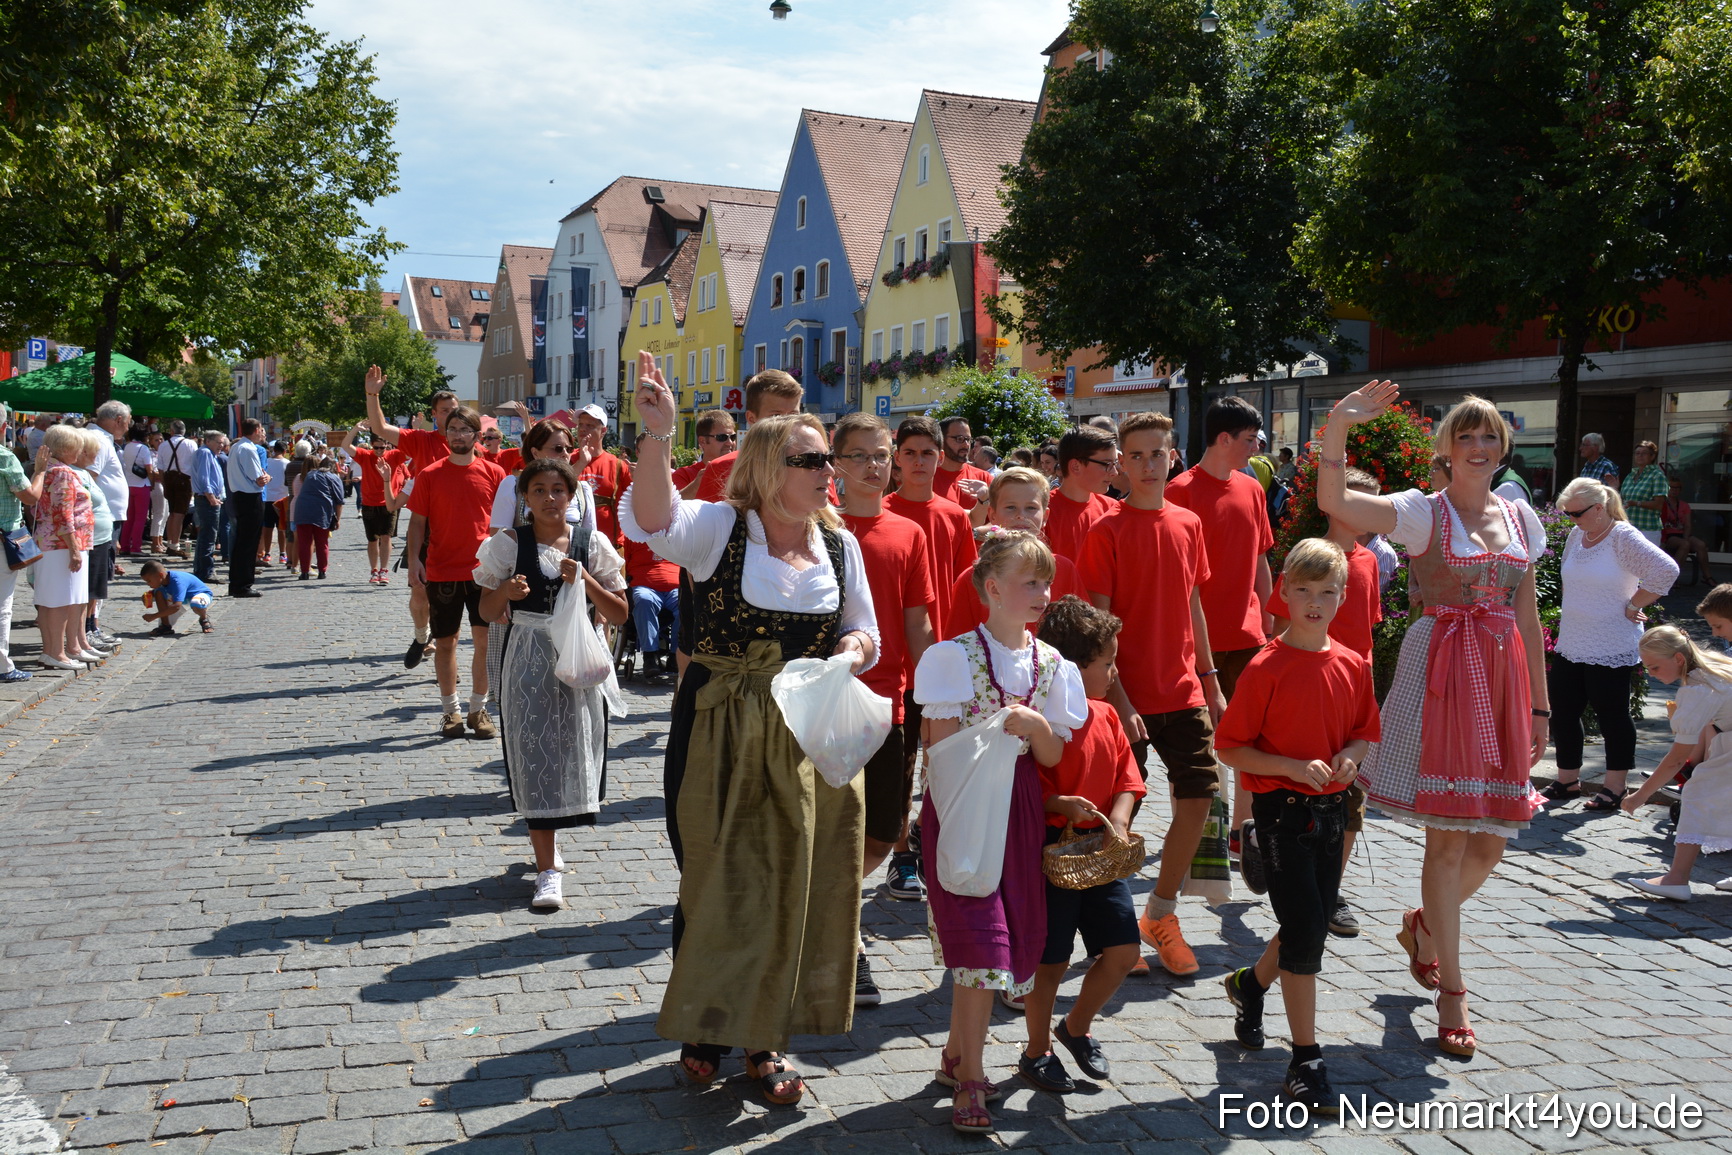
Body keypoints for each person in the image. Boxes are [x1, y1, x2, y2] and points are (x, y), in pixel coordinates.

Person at [625, 352, 878, 1107]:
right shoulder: (719, 530)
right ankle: (706, 1021)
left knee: (788, 881)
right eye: (812, 459)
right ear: (770, 465)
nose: (827, 470)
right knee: (712, 875)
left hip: (804, 728)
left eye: (829, 457)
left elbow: (867, 632)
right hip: (718, 727)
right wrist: (660, 436)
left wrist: (851, 650)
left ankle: (765, 1040)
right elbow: (651, 518)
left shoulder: (840, 545)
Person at [1317, 384, 1550, 1059]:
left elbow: (1529, 619)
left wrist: (1541, 705)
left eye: (1489, 437)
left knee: (1495, 836)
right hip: (1443, 671)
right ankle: (1452, 990)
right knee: (1447, 840)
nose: (1478, 447)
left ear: (1502, 448)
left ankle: (1424, 924)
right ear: (1447, 449)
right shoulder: (1425, 513)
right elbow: (1336, 503)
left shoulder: (1520, 517)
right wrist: (1339, 423)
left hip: (1501, 678)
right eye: (1466, 437)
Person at [914, 531, 1087, 1134]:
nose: (1043, 593)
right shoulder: (951, 657)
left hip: (1018, 814)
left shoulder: (1052, 665)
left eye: (1046, 582)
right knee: (981, 952)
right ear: (992, 589)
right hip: (962, 811)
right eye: (1029, 582)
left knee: (993, 952)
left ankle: (956, 1057)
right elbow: (937, 752)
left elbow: (1052, 752)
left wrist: (1032, 720)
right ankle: (971, 1082)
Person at [1215, 538, 1379, 1112]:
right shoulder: (1266, 665)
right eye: (1303, 591)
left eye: (1326, 592)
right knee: (1307, 928)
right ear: (1281, 592)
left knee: (1304, 919)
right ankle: (1306, 1059)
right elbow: (1230, 746)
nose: (1314, 602)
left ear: (1342, 597)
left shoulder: (1354, 662)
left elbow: (1363, 730)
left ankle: (1249, 985)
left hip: (1333, 816)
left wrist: (1352, 756)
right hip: (1282, 817)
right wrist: (1289, 766)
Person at [1081, 412, 1223, 979]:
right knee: (1116, 818)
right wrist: (1120, 698)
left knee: (1199, 801)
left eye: (1156, 454)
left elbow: (1193, 604)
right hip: (1125, 698)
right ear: (1120, 463)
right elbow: (1099, 624)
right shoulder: (1106, 530)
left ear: (1172, 456)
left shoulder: (1188, 523)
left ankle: (1160, 915)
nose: (1145, 465)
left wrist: (1210, 681)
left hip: (1184, 690)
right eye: (1134, 456)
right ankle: (1107, 930)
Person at [477, 457, 628, 911]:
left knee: (573, 749)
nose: (548, 498)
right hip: (527, 655)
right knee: (533, 751)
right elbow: (485, 612)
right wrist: (505, 593)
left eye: (557, 490)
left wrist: (586, 584)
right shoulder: (509, 545)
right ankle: (546, 869)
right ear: (524, 497)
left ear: (572, 495)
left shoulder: (590, 542)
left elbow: (620, 613)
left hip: (578, 658)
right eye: (538, 490)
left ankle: (553, 848)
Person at [1016, 596, 1144, 1095]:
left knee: (1122, 951)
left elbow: (1128, 781)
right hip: (1050, 854)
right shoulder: (1042, 722)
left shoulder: (1108, 717)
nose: (1114, 672)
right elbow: (1023, 786)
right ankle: (1035, 1051)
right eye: (1107, 662)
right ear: (1070, 668)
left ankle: (1075, 1026)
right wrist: (1058, 803)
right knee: (1051, 961)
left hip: (1101, 854)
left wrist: (1118, 816)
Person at [831, 412, 936, 990]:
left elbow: (917, 622)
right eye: (859, 456)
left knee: (885, 828)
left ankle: (835, 908)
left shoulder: (907, 532)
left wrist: (941, 691)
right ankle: (846, 937)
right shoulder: (820, 528)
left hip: (889, 704)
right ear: (836, 464)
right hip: (828, 706)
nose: (873, 466)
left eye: (880, 455)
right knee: (829, 825)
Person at [1262, 466, 1384, 938]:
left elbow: (1365, 633)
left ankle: (1331, 890)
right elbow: (1278, 630)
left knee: (1350, 792)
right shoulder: (1310, 561)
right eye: (1363, 500)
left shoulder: (1369, 563)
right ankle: (1264, 843)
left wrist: (1368, 687)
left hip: (1351, 689)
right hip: (1305, 688)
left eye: (1377, 502)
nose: (1372, 511)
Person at [1166, 397, 1275, 847]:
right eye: (1250, 440)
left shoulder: (1252, 488)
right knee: (1196, 746)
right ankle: (1193, 836)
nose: (1256, 449)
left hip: (1248, 633)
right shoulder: (1180, 491)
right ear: (1224, 438)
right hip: (1194, 641)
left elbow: (1261, 559)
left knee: (1250, 741)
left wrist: (1272, 623)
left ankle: (1240, 834)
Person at [1542, 477, 1678, 812]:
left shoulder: (1622, 536)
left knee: (1611, 714)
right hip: (1573, 638)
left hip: (1611, 639)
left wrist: (1635, 604)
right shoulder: (1578, 534)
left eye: (1576, 513)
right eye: (1567, 514)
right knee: (1564, 710)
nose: (1571, 520)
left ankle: (1615, 786)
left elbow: (1666, 570)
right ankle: (1567, 778)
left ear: (1600, 508)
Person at [407, 406, 506, 740]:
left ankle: (478, 709)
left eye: (466, 429)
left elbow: (504, 527)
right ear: (445, 433)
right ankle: (450, 712)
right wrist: (414, 563)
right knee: (446, 644)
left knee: (484, 643)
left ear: (477, 436)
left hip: (485, 572)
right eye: (453, 429)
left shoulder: (495, 474)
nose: (459, 435)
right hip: (442, 570)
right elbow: (417, 523)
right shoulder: (430, 474)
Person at [1620, 625, 1732, 899]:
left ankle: (1676, 879)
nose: (1650, 673)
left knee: (1696, 795)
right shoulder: (1711, 666)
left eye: (1655, 667)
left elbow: (1677, 758)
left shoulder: (1698, 688)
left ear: (1678, 659)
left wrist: (1640, 796)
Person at [364, 365, 461, 668]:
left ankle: (445, 659)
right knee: (420, 593)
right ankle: (422, 636)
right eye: (445, 410)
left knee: (451, 598)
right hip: (426, 525)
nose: (451, 415)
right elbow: (380, 428)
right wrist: (372, 394)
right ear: (435, 413)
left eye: (455, 410)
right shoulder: (422, 440)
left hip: (459, 527)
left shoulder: (472, 444)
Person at [945, 468, 1090, 638]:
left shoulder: (1064, 569)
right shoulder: (973, 578)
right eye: (1010, 507)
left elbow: (1084, 634)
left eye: (1031, 508)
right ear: (992, 515)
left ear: (1045, 516)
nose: (1021, 516)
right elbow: (957, 644)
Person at [886, 416, 978, 632]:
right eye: (910, 453)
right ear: (897, 457)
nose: (919, 461)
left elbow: (967, 584)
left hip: (944, 633)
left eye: (927, 453)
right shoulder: (880, 512)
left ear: (940, 457)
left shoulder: (956, 516)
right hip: (891, 637)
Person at [32, 426, 95, 670]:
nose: (81, 451)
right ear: (68, 448)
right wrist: (75, 548)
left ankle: (52, 651)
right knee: (59, 600)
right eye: (77, 446)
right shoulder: (63, 473)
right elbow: (63, 514)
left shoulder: (48, 470)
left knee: (51, 600)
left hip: (51, 543)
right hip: (61, 545)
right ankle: (56, 652)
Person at [693, 370, 804, 501]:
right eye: (776, 416)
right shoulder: (721, 469)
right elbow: (707, 521)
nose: (786, 424)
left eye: (793, 415)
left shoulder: (813, 466)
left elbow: (827, 519)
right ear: (751, 418)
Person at [0, 404, 43, 683]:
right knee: (3, 604)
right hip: (3, 540)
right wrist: (39, 472)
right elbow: (30, 497)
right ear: (4, 427)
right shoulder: (5, 457)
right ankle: (3, 666)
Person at [74, 430, 119, 656]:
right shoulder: (76, 474)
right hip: (89, 539)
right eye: (92, 453)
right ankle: (86, 632)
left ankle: (92, 627)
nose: (94, 458)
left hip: (100, 537)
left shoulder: (82, 472)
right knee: (89, 589)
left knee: (96, 589)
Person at [344, 422, 406, 585]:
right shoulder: (365, 456)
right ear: (372, 445)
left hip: (388, 502)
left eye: (382, 447)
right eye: (376, 447)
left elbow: (411, 450)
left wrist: (405, 430)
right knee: (372, 539)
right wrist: (355, 429)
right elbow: (345, 445)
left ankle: (384, 570)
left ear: (387, 445)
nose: (379, 451)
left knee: (386, 537)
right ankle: (374, 570)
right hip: (369, 503)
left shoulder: (393, 455)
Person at [1046, 426, 1118, 565]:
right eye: (1107, 464)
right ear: (1075, 466)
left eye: (1114, 463)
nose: (1114, 472)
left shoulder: (1112, 509)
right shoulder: (1041, 511)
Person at [572, 404, 630, 548]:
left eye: (590, 426)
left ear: (603, 431)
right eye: (581, 425)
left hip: (610, 546)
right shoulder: (568, 459)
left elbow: (634, 503)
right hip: (573, 544)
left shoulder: (617, 465)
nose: (583, 429)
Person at [225, 417, 267, 598]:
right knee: (248, 543)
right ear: (257, 430)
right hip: (249, 497)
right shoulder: (248, 449)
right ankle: (243, 584)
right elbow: (259, 478)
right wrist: (267, 478)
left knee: (241, 543)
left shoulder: (235, 446)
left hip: (239, 496)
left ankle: (236, 583)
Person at [89, 402, 132, 574]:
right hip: (102, 514)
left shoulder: (102, 438)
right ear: (119, 420)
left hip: (106, 513)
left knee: (103, 564)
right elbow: (89, 476)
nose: (128, 427)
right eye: (129, 422)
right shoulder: (99, 439)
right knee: (99, 571)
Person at [291, 457, 345, 579]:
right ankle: (322, 571)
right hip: (321, 512)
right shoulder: (334, 477)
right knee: (322, 542)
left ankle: (304, 572)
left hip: (302, 510)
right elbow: (339, 501)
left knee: (304, 542)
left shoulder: (310, 475)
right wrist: (338, 519)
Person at [934, 416, 995, 523]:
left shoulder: (984, 478)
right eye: (959, 439)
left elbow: (999, 521)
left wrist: (974, 532)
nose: (966, 445)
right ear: (941, 440)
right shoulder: (927, 477)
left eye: (968, 439)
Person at [1661, 478, 1714, 586]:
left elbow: (1688, 525)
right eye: (1671, 487)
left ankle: (1707, 576)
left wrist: (1685, 536)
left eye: (1677, 488)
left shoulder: (1684, 505)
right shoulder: (1662, 503)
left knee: (1701, 545)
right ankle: (1671, 577)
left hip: (1682, 533)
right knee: (1685, 544)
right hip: (1669, 535)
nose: (1674, 490)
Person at [155, 420, 197, 557]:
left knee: (172, 513)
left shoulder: (163, 445)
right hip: (184, 480)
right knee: (179, 513)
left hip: (168, 479)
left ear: (172, 431)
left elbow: (160, 468)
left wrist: (163, 483)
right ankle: (174, 544)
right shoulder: (190, 444)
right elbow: (195, 465)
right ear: (184, 431)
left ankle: (171, 543)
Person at [139, 559, 214, 635]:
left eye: (149, 581)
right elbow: (159, 592)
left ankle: (204, 619)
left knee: (196, 602)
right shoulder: (163, 580)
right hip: (183, 598)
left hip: (201, 595)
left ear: (161, 575)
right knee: (158, 592)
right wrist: (149, 596)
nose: (148, 584)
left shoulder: (177, 581)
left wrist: (154, 616)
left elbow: (176, 607)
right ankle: (165, 626)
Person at [189, 431, 226, 583]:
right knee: (208, 536)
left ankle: (201, 570)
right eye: (218, 442)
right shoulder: (204, 453)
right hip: (207, 499)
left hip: (209, 499)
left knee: (207, 535)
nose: (221, 446)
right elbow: (204, 477)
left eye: (223, 443)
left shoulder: (210, 454)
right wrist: (210, 496)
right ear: (208, 441)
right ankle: (206, 572)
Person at [677, 410, 736, 498]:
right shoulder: (683, 475)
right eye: (722, 437)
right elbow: (673, 507)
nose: (730, 443)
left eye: (732, 437)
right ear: (702, 441)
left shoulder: (743, 472)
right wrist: (697, 485)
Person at [1621, 441, 1668, 545]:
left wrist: (1636, 503)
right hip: (1628, 527)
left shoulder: (1657, 476)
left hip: (1647, 530)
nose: (1640, 456)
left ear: (1652, 456)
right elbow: (1623, 500)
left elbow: (1658, 505)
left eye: (1644, 453)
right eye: (1637, 453)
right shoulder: (1630, 476)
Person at [119, 422, 154, 556]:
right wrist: (152, 483)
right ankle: (136, 547)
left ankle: (125, 545)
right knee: (140, 518)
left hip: (129, 485)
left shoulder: (126, 447)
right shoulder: (143, 448)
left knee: (129, 518)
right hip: (141, 485)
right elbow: (149, 469)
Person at [259, 441, 290, 568]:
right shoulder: (287, 464)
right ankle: (283, 554)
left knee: (267, 527)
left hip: (267, 498)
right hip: (282, 498)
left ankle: (267, 553)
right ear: (285, 451)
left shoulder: (266, 461)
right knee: (282, 527)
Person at [145, 430, 168, 555]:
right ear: (151, 442)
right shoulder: (151, 454)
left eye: (161, 439)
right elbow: (154, 472)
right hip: (158, 485)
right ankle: (155, 542)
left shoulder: (165, 453)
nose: (159, 442)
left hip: (166, 484)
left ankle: (160, 539)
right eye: (156, 440)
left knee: (166, 514)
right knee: (159, 513)